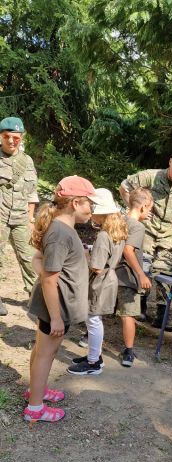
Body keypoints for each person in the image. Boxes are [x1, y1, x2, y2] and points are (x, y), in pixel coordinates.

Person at [24, 176, 100, 422]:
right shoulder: (60, 233)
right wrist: (55, 317)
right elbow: (49, 279)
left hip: (59, 304)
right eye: (90, 204)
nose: (92, 209)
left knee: (43, 350)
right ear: (75, 203)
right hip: (56, 306)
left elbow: (39, 261)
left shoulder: (63, 229)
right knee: (46, 353)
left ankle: (37, 390)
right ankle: (35, 408)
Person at [119, 150, 172, 330]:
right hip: (147, 230)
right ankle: (139, 307)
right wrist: (135, 210)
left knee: (165, 272)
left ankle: (162, 315)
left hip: (168, 236)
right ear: (170, 161)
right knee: (144, 266)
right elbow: (124, 187)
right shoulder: (151, 176)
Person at [67, 189, 128, 376]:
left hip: (100, 281)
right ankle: (95, 357)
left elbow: (97, 267)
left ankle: (93, 362)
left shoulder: (103, 235)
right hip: (109, 279)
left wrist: (85, 253)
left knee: (93, 320)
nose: (91, 212)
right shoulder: (117, 231)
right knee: (95, 319)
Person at [0, 116, 39, 315]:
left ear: (22, 137)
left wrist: (31, 218)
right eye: (7, 136)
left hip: (21, 217)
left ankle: (35, 296)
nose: (11, 141)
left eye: (16, 137)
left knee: (29, 257)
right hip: (0, 217)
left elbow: (32, 192)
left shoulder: (27, 161)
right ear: (1, 136)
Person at [115, 188, 153, 367]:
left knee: (101, 310)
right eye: (149, 209)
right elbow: (128, 250)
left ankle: (87, 338)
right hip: (127, 277)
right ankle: (128, 352)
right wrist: (141, 274)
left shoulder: (119, 220)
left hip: (112, 274)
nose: (149, 213)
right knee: (128, 315)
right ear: (143, 207)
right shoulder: (137, 226)